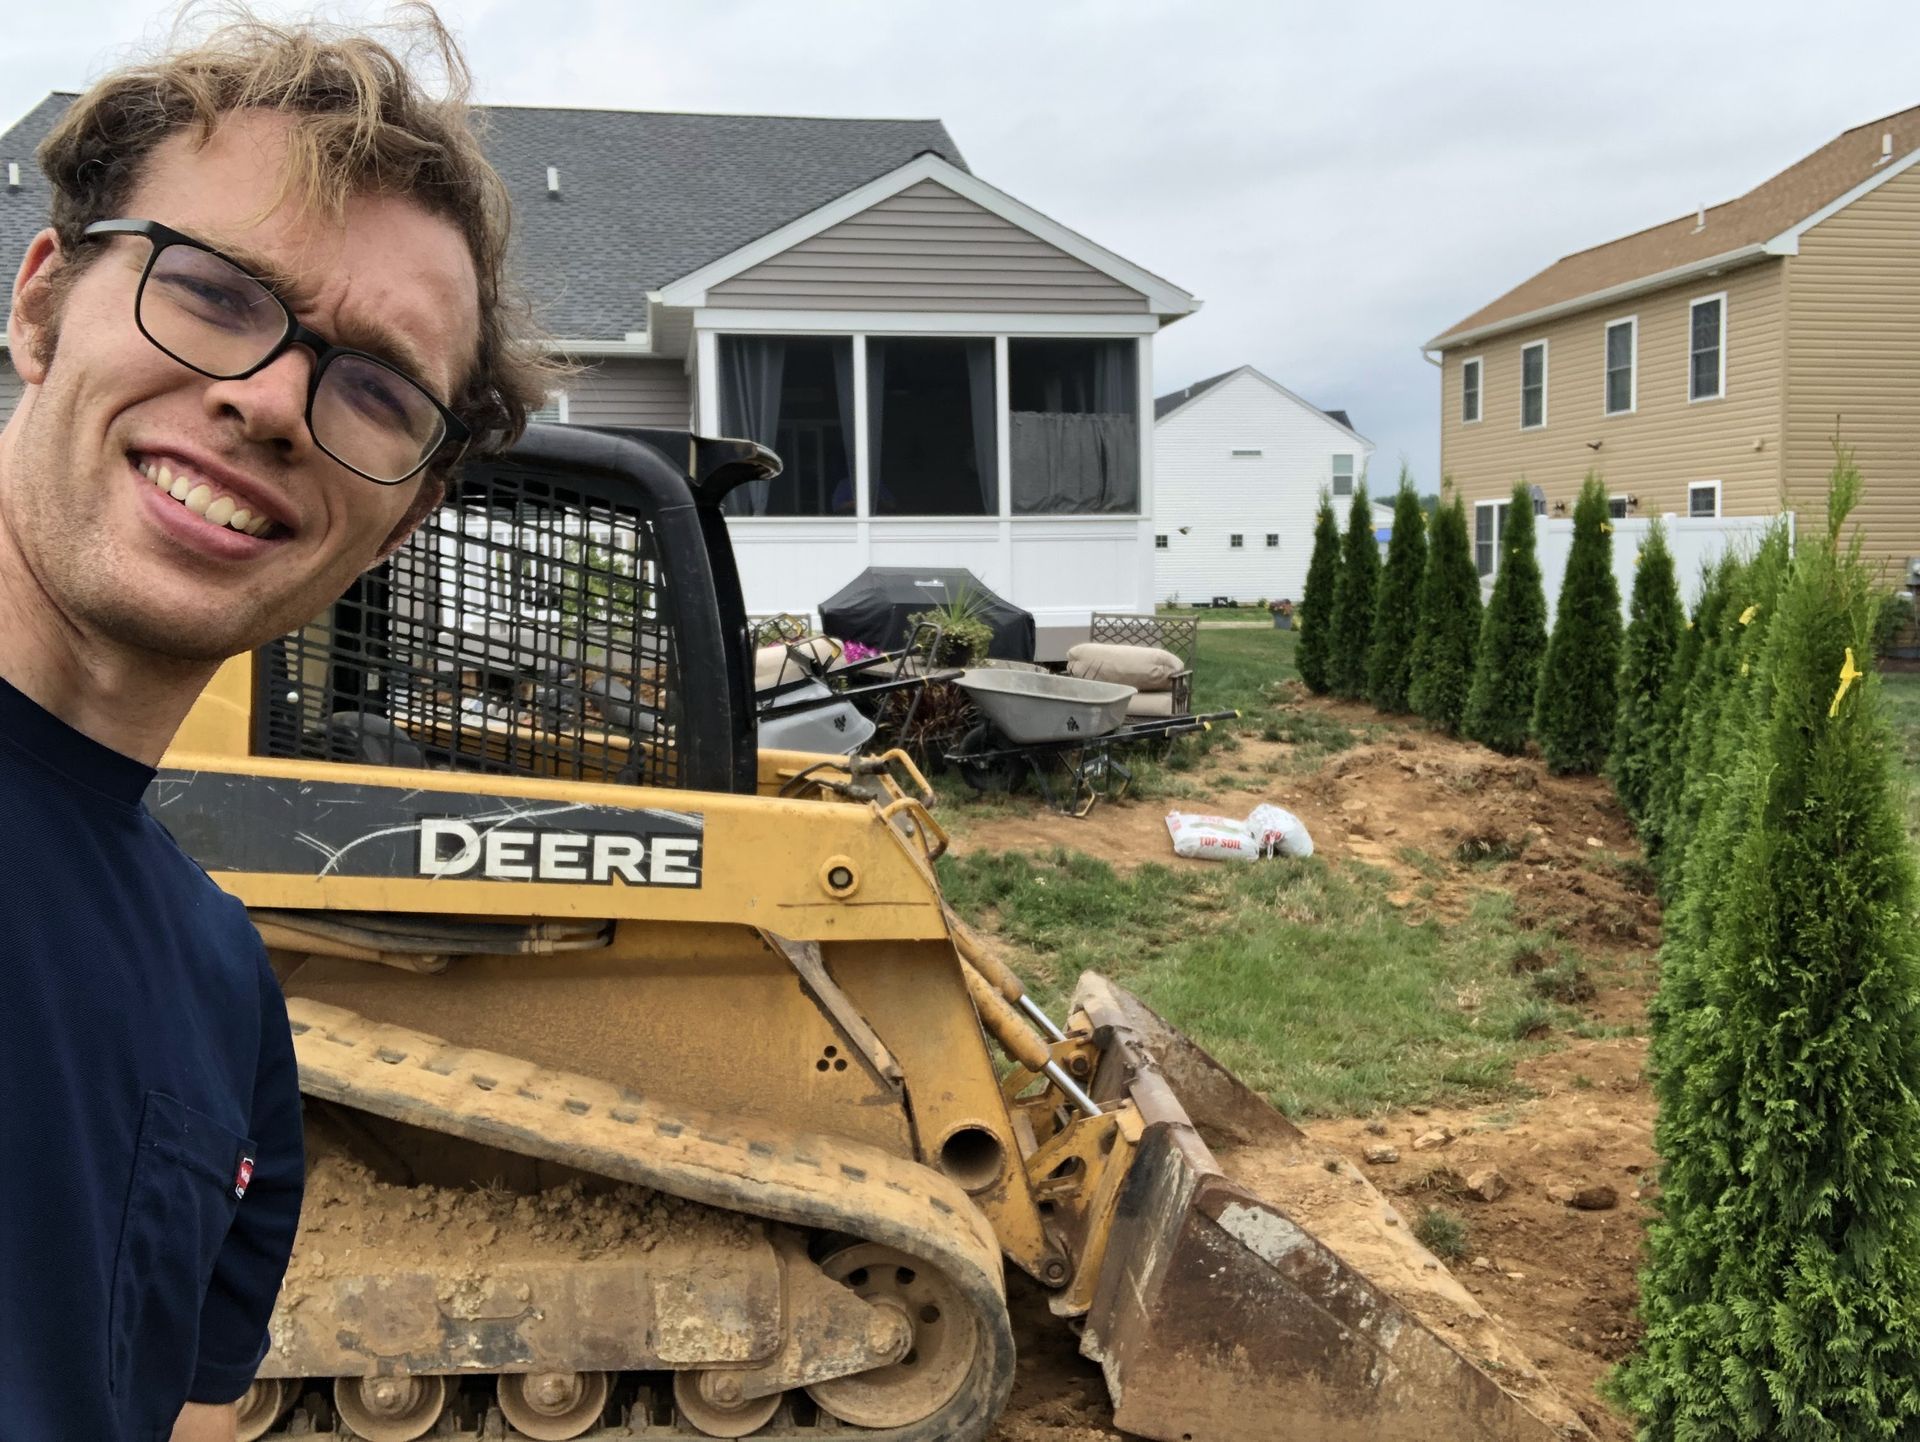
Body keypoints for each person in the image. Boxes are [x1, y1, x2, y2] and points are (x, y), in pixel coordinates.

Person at [0, 10, 553, 1439]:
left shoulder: (222, 993)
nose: (264, 403)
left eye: (372, 386)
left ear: (403, 517)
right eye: (213, 292)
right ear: (42, 304)